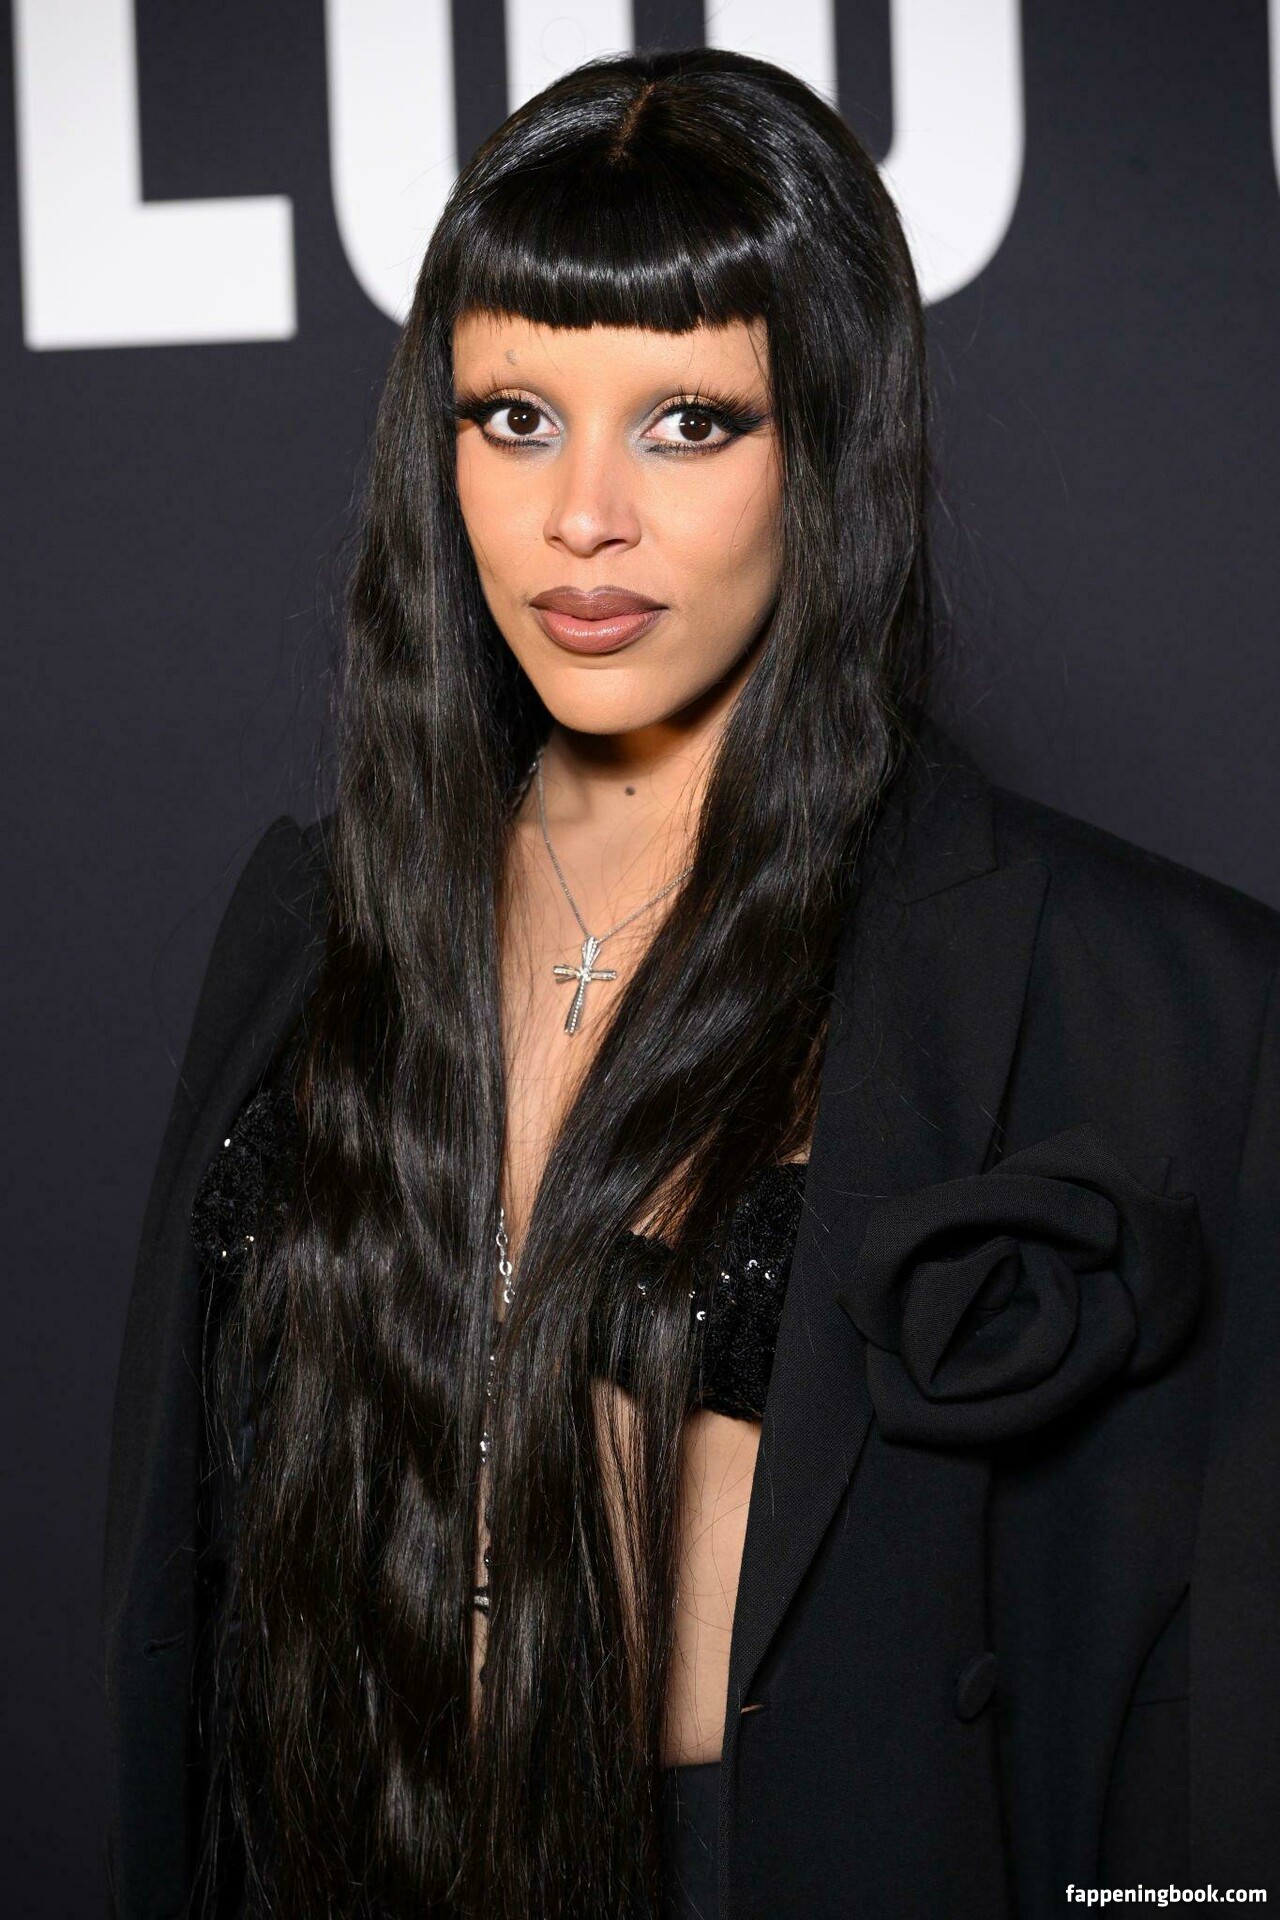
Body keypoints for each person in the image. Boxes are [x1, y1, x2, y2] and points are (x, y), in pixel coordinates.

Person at [103, 46, 1280, 1920]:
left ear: (833, 444)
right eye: (514, 417)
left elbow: (1197, 1719)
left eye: (687, 423)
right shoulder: (315, 920)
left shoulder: (1153, 992)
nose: (583, 515)